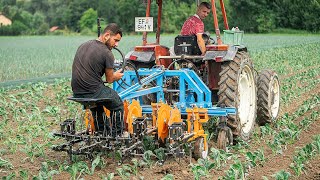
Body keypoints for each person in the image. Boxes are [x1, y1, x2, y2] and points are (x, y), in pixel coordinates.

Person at [71, 23, 124, 137]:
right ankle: (117, 136)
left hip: (77, 91)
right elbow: (110, 79)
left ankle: (102, 133)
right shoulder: (107, 53)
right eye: (115, 40)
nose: (116, 44)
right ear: (106, 35)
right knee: (118, 104)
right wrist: (117, 76)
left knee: (96, 105)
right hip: (92, 90)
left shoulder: (83, 45)